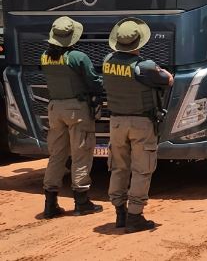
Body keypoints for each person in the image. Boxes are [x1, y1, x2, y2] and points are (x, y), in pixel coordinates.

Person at [102, 17, 173, 233]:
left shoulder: (107, 61)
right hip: (141, 123)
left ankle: (120, 213)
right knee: (142, 170)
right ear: (139, 42)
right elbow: (169, 80)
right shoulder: (145, 66)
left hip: (116, 122)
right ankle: (135, 216)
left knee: (118, 167)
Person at [40, 16, 105, 219]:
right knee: (81, 154)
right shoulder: (78, 57)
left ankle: (50, 203)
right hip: (76, 110)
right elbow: (94, 82)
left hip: (54, 109)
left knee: (57, 155)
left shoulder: (45, 56)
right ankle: (81, 202)